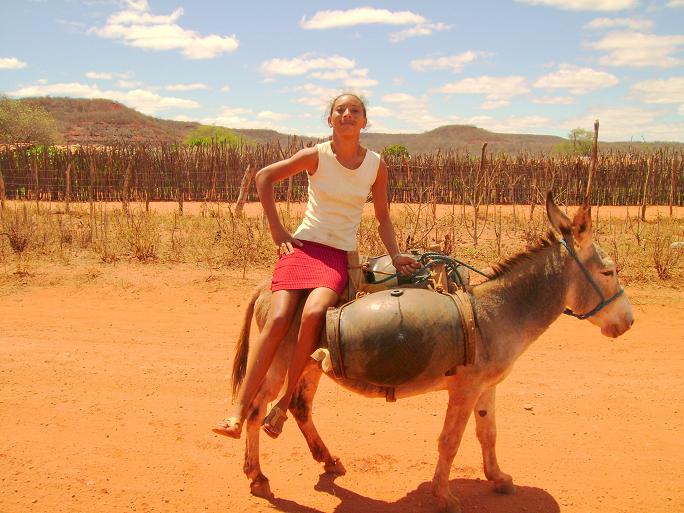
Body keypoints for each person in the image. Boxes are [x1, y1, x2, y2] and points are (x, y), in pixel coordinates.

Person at [213, 93, 421, 440]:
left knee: (314, 314)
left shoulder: (375, 165)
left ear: (364, 121)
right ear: (330, 121)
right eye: (340, 110)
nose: (347, 114)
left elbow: (382, 216)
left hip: (337, 255)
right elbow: (264, 177)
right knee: (278, 318)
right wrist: (278, 231)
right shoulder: (316, 155)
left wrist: (396, 254)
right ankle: (236, 411)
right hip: (303, 248)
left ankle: (284, 403)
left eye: (354, 110)